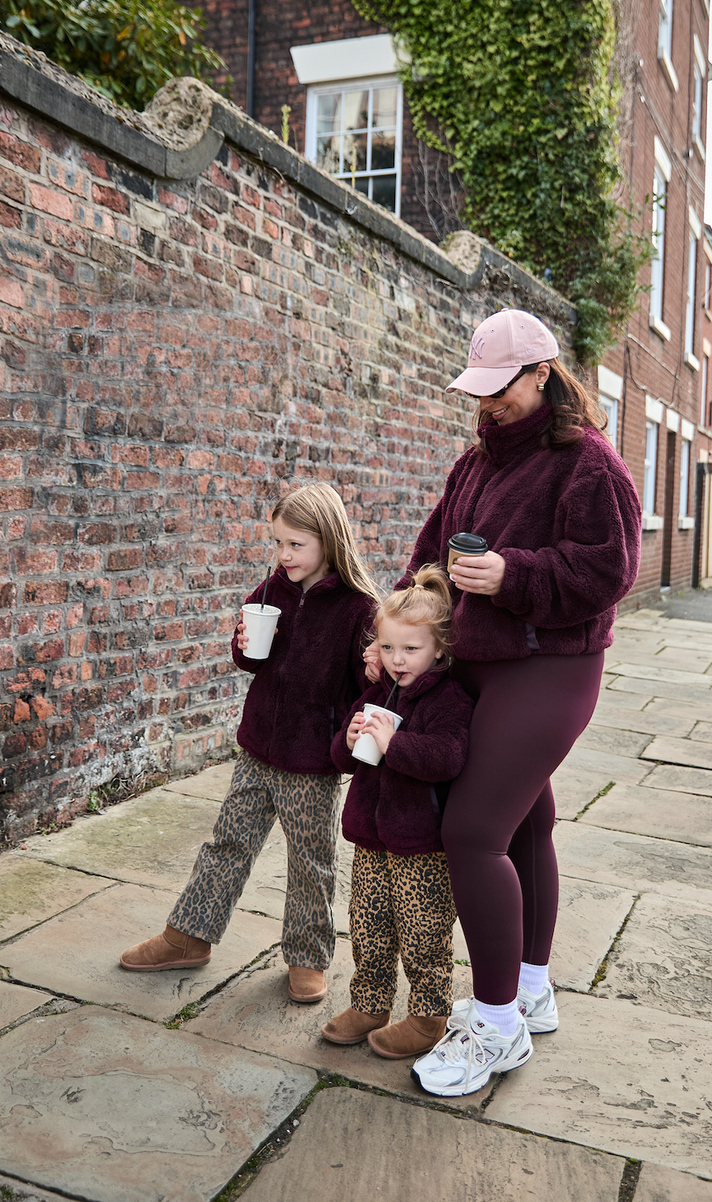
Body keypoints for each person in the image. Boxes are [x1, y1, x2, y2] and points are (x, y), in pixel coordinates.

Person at [390, 309, 642, 1097]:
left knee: (471, 831)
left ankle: (497, 1025)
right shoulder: (474, 464)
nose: (488, 403)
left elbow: (610, 571)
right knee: (526, 819)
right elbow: (430, 552)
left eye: (501, 389)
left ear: (542, 375)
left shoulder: (589, 465)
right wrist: (405, 618)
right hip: (479, 662)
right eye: (479, 389)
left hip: (551, 666)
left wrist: (513, 576)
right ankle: (531, 988)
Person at [119, 483, 379, 1004]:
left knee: (311, 862)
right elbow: (252, 662)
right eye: (278, 543)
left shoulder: (359, 609)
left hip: (312, 761)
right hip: (258, 747)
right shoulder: (270, 591)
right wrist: (244, 645)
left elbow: (367, 687)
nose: (284, 555)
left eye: (295, 544)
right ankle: (188, 934)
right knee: (227, 842)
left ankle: (307, 958)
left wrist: (365, 692)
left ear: (328, 540)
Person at [321, 565, 475, 1059]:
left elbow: (448, 757)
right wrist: (347, 741)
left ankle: (429, 1014)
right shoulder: (377, 691)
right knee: (367, 924)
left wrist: (397, 743)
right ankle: (369, 1003)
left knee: (423, 933)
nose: (397, 659)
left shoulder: (449, 699)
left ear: (439, 649)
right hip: (371, 835)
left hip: (421, 845)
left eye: (410, 649)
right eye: (387, 647)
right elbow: (344, 759)